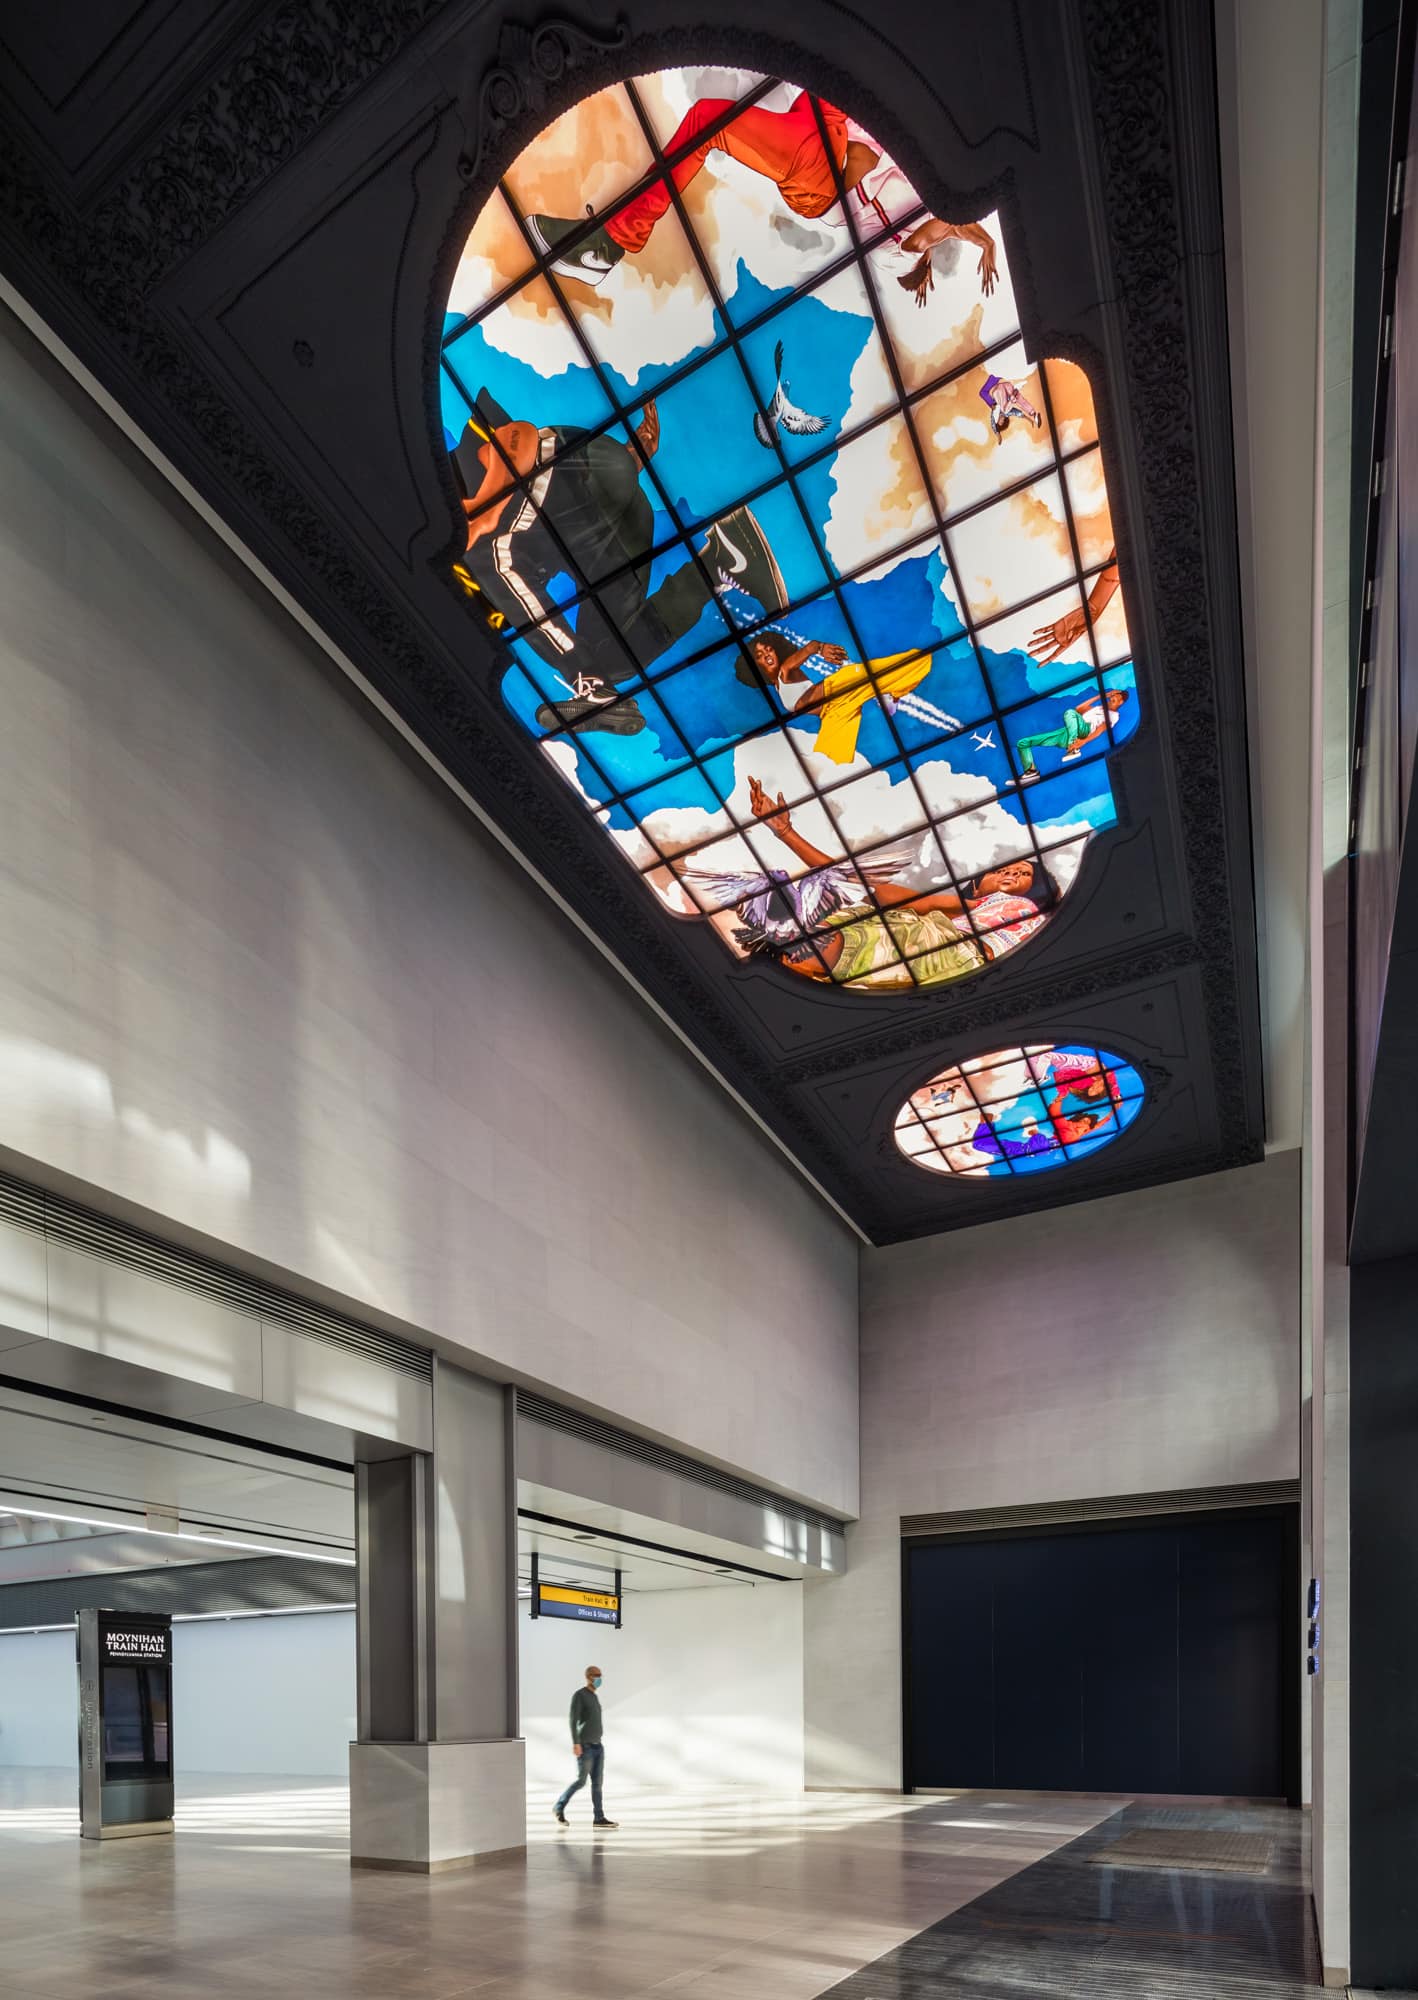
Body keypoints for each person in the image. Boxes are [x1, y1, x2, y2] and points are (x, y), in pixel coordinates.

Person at [454, 389, 786, 734]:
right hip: (609, 535)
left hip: (572, 470)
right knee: (613, 659)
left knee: (488, 556)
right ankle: (720, 561)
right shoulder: (482, 597)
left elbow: (517, 432)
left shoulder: (444, 492)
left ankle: (587, 681)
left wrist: (485, 508)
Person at [527, 90, 997, 307]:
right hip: (832, 127)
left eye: (928, 251)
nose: (930, 243)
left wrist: (986, 243)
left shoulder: (894, 254)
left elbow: (948, 221)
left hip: (820, 176)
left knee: (707, 124)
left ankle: (608, 245)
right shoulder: (920, 193)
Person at [682, 776, 1060, 988]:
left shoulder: (1019, 913)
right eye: (1006, 868)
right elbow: (869, 888)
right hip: (928, 948)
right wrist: (786, 833)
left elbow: (879, 893)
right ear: (981, 880)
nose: (1012, 872)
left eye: (1024, 873)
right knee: (861, 916)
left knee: (866, 927)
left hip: (948, 954)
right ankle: (780, 965)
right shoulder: (959, 907)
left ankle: (782, 964)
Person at [741, 630, 934, 764]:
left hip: (835, 688)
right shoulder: (778, 687)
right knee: (832, 757)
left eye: (768, 649)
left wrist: (820, 648)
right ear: (756, 665)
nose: (767, 653)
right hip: (833, 712)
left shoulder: (785, 671)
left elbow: (810, 647)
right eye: (760, 654)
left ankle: (907, 675)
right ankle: (889, 693)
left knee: (874, 671)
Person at [1012, 688, 1129, 784]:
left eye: (1116, 698)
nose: (1112, 698)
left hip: (1084, 731)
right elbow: (1078, 709)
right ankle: (1031, 771)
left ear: (1121, 702)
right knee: (1023, 743)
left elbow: (1100, 729)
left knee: (1069, 713)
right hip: (1066, 732)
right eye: (1112, 696)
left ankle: (1073, 747)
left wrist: (1083, 742)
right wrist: (1100, 696)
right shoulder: (1098, 708)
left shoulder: (1114, 715)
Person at [554, 1664, 618, 1829]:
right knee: (581, 1781)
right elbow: (573, 1720)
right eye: (596, 1675)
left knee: (597, 1784)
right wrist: (576, 1743)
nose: (599, 1678)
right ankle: (559, 1807)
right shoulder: (580, 1695)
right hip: (585, 1746)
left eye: (600, 1675)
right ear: (588, 1676)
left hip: (598, 1746)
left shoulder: (594, 1696)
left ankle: (599, 1818)